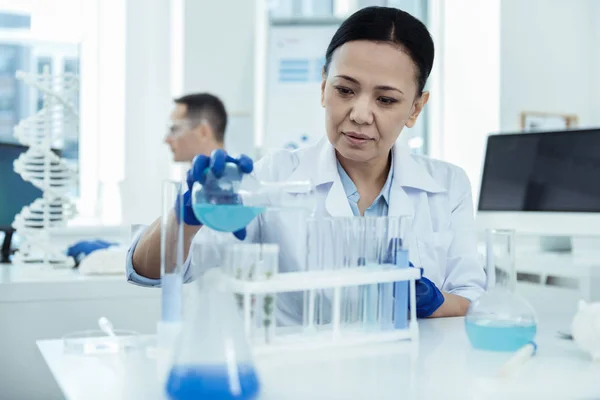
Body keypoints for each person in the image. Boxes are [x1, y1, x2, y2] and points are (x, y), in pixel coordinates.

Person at [127, 6, 485, 322]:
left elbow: (472, 298)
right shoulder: (272, 178)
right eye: (345, 90)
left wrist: (429, 302)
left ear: (415, 108)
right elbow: (149, 270)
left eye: (386, 99)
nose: (360, 114)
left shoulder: (448, 185)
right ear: (323, 87)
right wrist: (185, 217)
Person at [164, 93, 228, 162]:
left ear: (203, 132)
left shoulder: (234, 172)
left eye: (174, 129)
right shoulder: (194, 172)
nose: (167, 140)